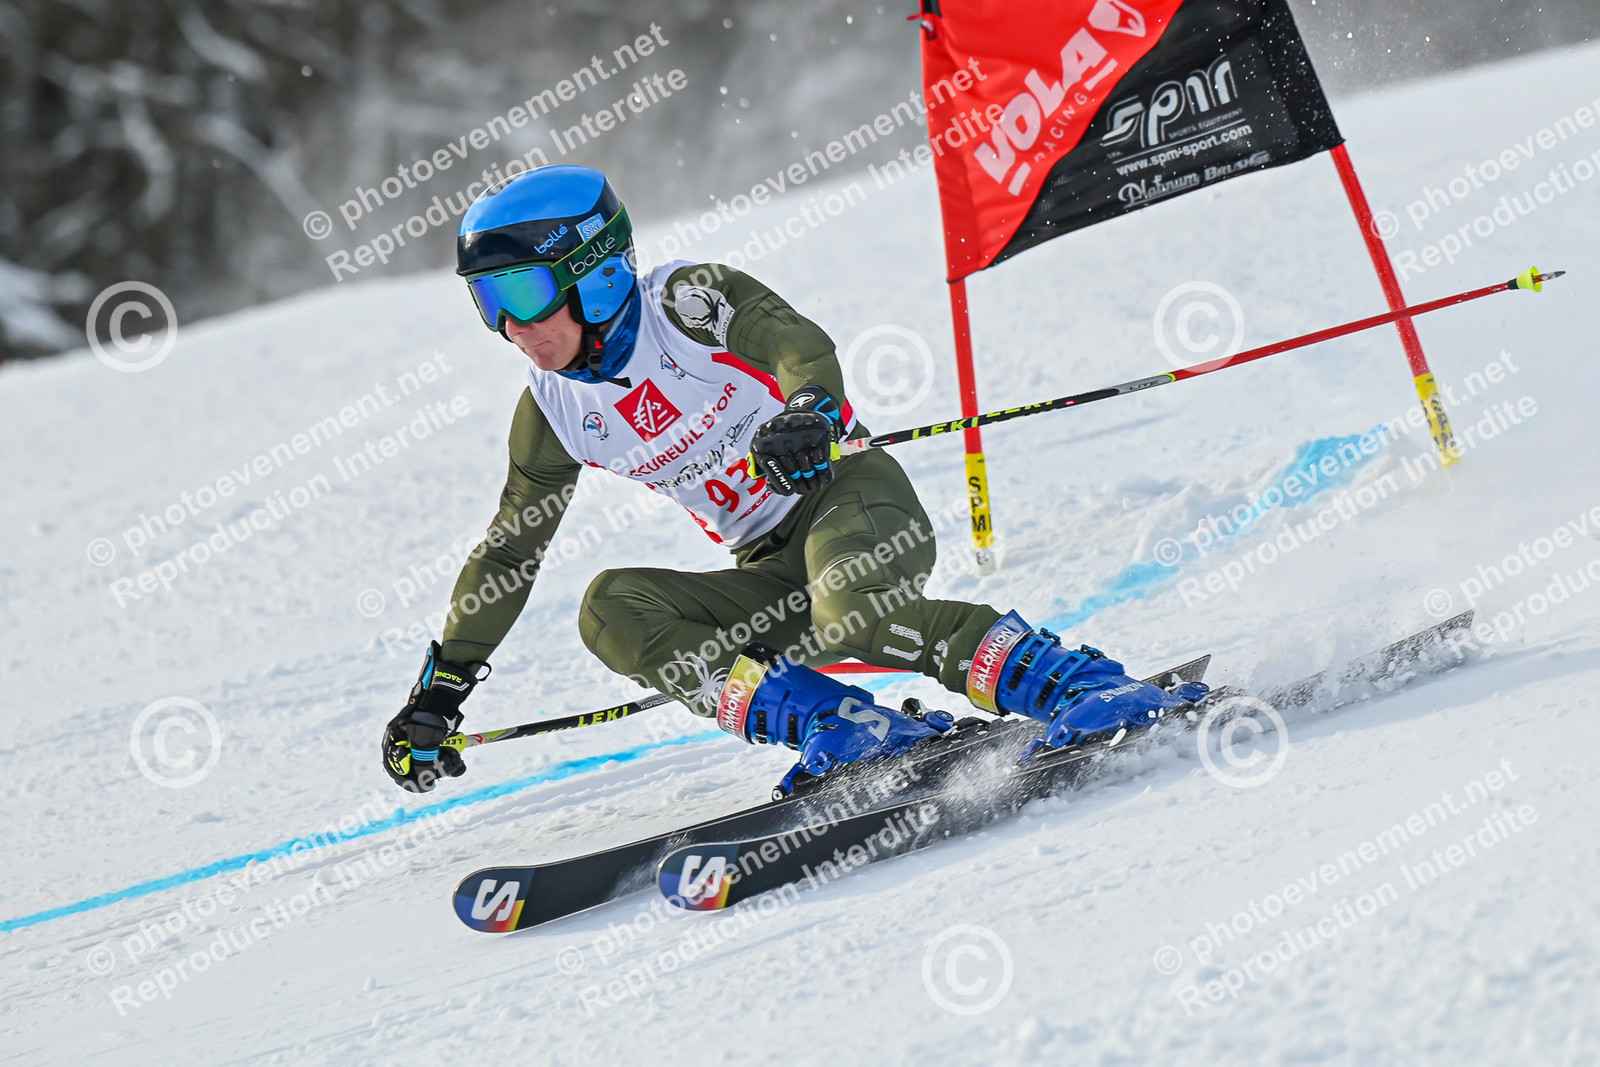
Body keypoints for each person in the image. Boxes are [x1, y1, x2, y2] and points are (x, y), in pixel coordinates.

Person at [381, 165, 1204, 794]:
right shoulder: (553, 409)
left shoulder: (686, 304)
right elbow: (510, 550)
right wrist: (441, 687)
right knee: (609, 610)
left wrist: (809, 409)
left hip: (850, 499)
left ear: (593, 272)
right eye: (489, 302)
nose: (512, 326)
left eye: (523, 291)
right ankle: (846, 727)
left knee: (851, 611)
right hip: (769, 573)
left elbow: (797, 346)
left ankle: (1084, 684)